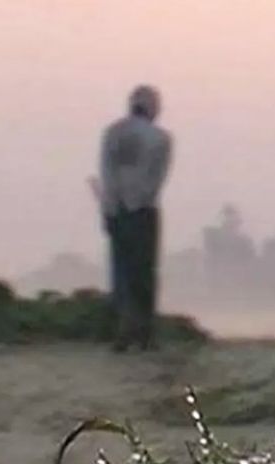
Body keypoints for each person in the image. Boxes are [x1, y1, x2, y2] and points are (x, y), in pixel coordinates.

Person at [96, 85, 173, 351]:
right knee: (144, 271)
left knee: (122, 271)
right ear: (152, 107)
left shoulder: (112, 133)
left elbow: (107, 173)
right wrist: (139, 202)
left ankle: (123, 330)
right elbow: (157, 179)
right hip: (143, 210)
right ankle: (144, 332)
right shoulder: (161, 138)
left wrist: (109, 209)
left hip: (117, 208)